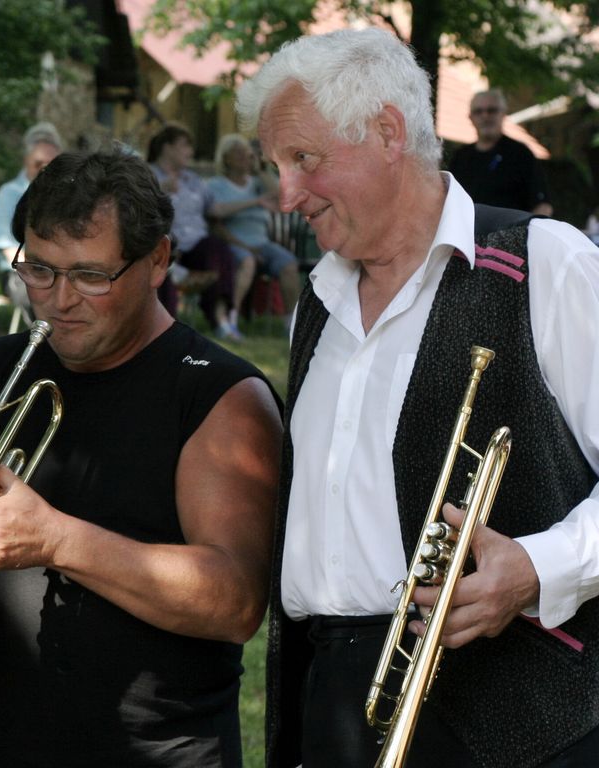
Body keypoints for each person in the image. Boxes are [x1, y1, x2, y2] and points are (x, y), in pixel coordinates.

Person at [239, 27, 599, 767]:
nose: (286, 194)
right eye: (276, 166)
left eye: (304, 159)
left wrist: (540, 568)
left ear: (388, 132)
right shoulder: (318, 299)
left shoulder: (545, 263)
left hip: (512, 711)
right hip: (336, 703)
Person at [0, 150, 282, 766]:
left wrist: (57, 540)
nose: (58, 301)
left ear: (158, 260)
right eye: (39, 271)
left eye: (90, 276)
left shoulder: (220, 396)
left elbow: (236, 602)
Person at [147, 124, 243, 340]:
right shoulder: (148, 174)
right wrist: (159, 188)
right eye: (184, 146)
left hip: (196, 245)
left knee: (218, 250)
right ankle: (164, 329)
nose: (190, 152)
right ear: (167, 147)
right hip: (166, 243)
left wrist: (256, 201)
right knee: (163, 252)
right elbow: (134, 205)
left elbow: (215, 209)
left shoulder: (192, 179)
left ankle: (220, 319)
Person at [207, 132, 300, 325]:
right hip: (231, 244)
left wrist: (260, 171)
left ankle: (291, 322)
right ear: (226, 158)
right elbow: (217, 213)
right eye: (238, 153)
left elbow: (283, 197)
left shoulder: (258, 183)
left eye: (248, 154)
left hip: (262, 244)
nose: (244, 157)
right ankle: (230, 319)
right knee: (247, 262)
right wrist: (255, 202)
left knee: (288, 264)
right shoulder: (216, 185)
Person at [0, 121, 64, 321]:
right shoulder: (9, 194)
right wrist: (43, 273)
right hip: (19, 273)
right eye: (38, 164)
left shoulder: (66, 198)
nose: (44, 170)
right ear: (26, 161)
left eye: (51, 164)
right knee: (47, 295)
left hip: (57, 272)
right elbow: (8, 248)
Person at [447, 89, 554, 216]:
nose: (485, 116)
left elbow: (543, 206)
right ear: (470, 117)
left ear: (503, 114)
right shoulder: (460, 158)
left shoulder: (521, 155)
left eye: (491, 110)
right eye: (478, 111)